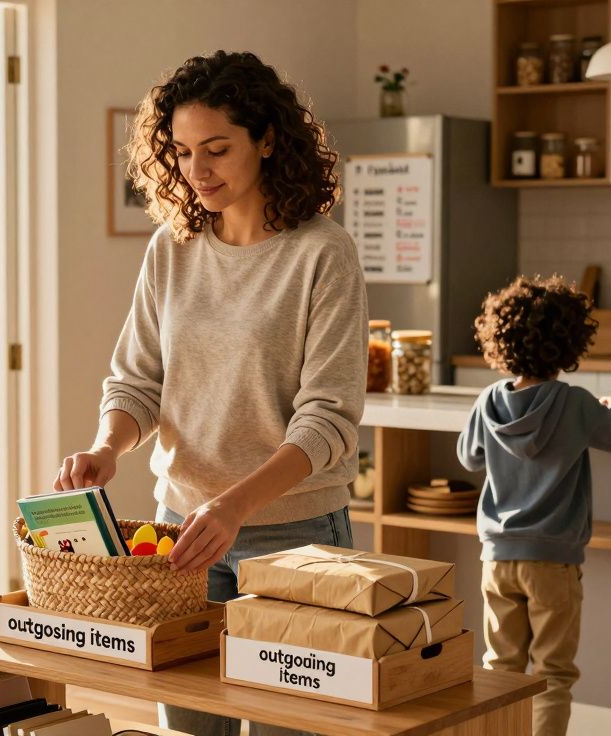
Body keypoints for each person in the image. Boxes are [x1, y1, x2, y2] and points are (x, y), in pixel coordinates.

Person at [55, 50, 367, 736]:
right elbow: (137, 381)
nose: (198, 171)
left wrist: (236, 504)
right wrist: (108, 447)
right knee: (190, 730)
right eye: (183, 151)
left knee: (290, 727)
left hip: (295, 537)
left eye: (217, 149)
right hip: (180, 533)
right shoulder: (173, 249)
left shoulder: (323, 254)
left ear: (268, 139)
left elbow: (329, 419)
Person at [456, 275, 611, 736]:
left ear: (500, 341)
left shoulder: (488, 402)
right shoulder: (575, 404)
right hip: (553, 563)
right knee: (553, 674)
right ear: (570, 343)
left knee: (501, 670)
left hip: (497, 559)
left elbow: (469, 456)